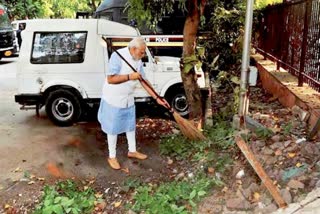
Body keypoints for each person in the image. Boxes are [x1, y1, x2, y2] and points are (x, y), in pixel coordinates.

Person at [98, 37, 168, 170]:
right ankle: (112, 156)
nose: (143, 55)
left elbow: (143, 80)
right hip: (114, 97)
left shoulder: (137, 60)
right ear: (134, 49)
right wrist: (129, 76)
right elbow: (111, 79)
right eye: (141, 52)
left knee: (130, 126)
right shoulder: (117, 56)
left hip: (128, 97)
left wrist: (157, 97)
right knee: (112, 129)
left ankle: (132, 151)